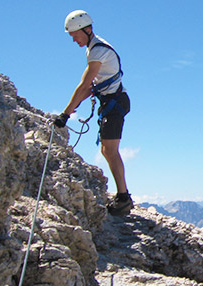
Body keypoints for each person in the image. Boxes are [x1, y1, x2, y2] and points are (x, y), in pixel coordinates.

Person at [54, 10, 133, 216]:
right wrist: (72, 107)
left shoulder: (97, 51)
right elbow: (89, 88)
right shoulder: (94, 49)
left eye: (75, 34)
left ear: (87, 30)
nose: (73, 39)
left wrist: (65, 114)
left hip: (114, 103)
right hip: (113, 101)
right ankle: (123, 195)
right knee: (107, 150)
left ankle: (123, 198)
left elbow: (84, 85)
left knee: (110, 150)